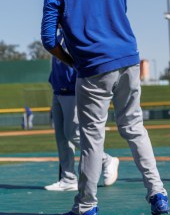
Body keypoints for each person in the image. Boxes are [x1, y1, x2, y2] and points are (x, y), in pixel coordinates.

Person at [41, 0, 170, 215]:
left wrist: (72, 61)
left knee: (92, 139)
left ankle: (86, 207)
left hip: (93, 69)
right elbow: (119, 12)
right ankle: (158, 193)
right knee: (134, 128)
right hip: (128, 60)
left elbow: (49, 40)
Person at [45, 32, 120, 192]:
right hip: (58, 89)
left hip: (72, 90)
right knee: (61, 137)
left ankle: (106, 160)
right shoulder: (58, 37)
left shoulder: (75, 33)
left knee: (72, 133)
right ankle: (68, 179)